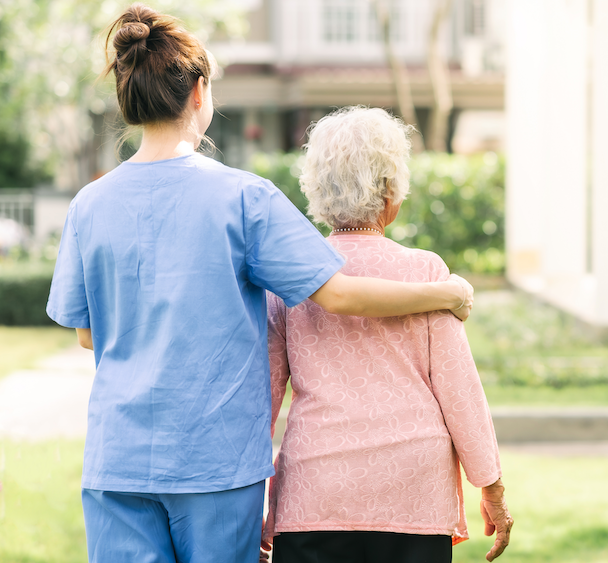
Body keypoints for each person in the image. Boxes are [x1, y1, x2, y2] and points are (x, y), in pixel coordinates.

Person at [44, 6, 473, 563]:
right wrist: (443, 293)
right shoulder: (243, 198)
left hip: (118, 460)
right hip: (216, 463)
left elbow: (86, 334)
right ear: (199, 92)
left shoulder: (89, 204)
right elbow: (338, 293)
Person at [262, 107, 512, 563]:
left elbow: (263, 398)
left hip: (317, 491)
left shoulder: (292, 278)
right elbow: (460, 392)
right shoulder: (426, 273)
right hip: (414, 492)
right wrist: (490, 485)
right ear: (391, 192)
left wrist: (256, 503)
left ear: (318, 189)